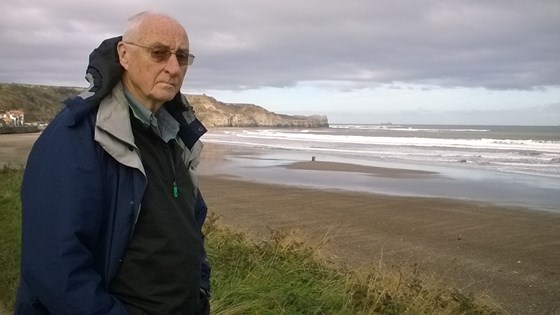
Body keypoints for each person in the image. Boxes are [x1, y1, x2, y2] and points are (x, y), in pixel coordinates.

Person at [15, 11, 211, 315]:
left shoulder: (174, 135)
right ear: (124, 54)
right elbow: (54, 265)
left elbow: (190, 223)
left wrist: (199, 288)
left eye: (182, 57)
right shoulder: (77, 133)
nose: (173, 68)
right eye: (159, 53)